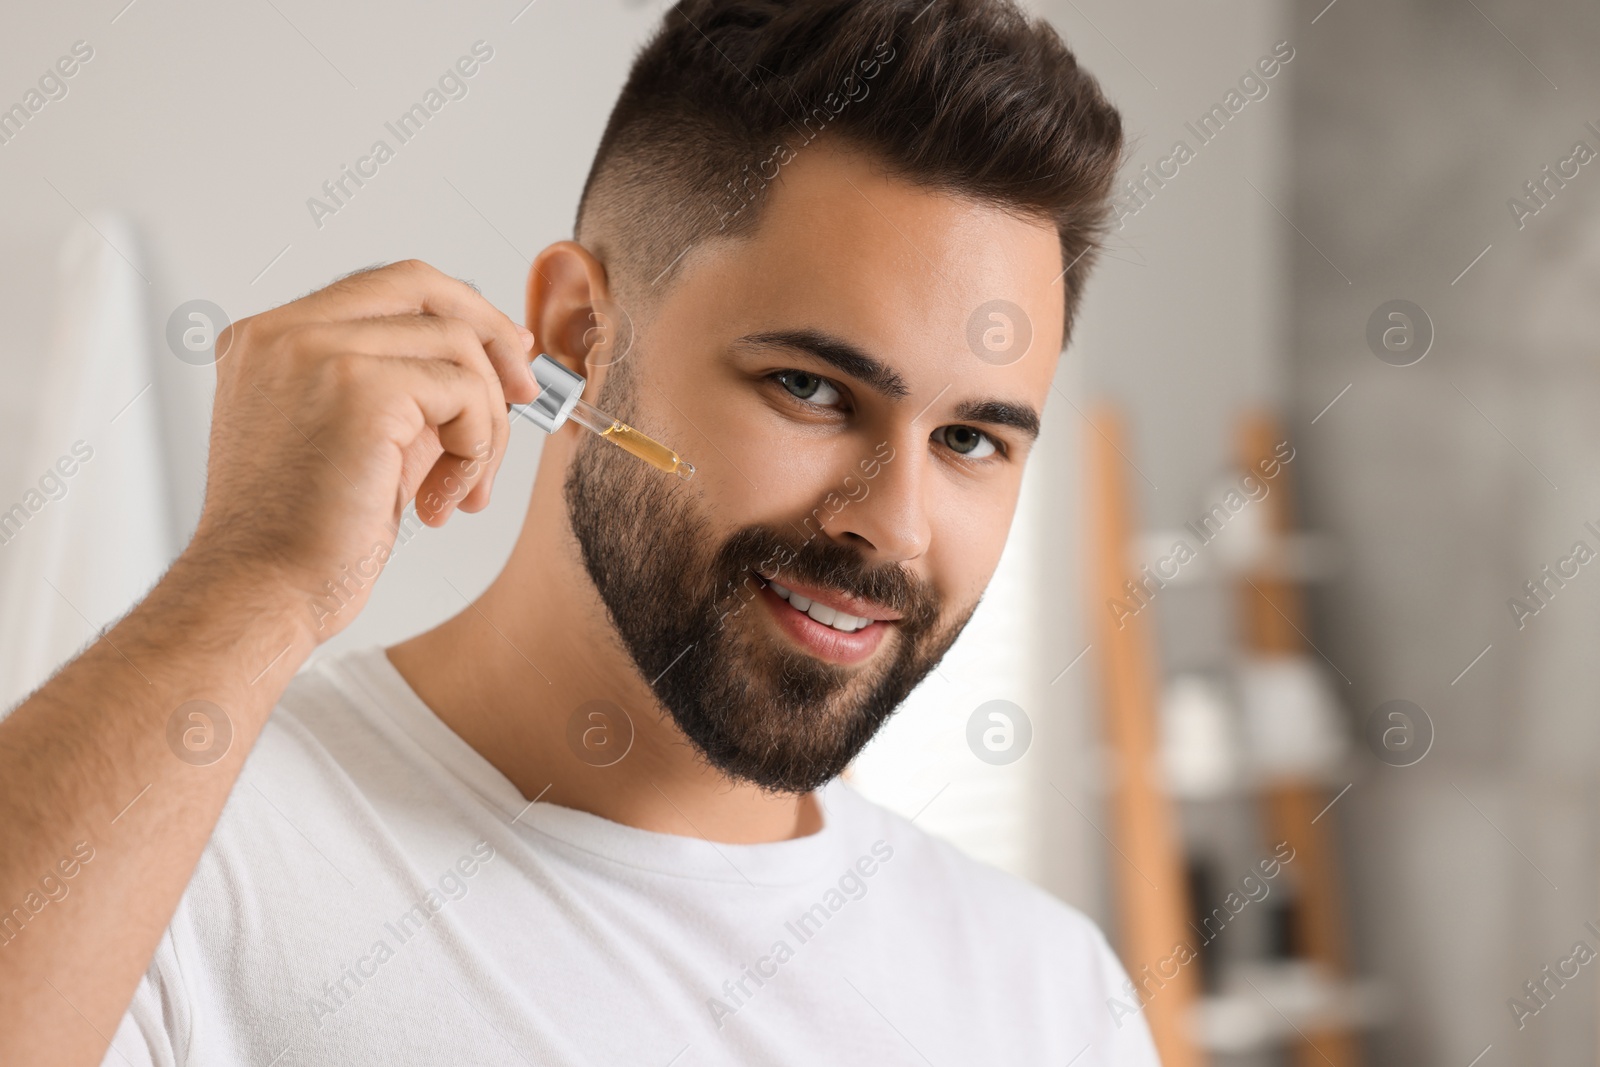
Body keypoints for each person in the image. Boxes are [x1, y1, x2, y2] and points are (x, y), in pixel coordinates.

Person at [0, 1, 1158, 1063]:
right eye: (810, 388)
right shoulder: (185, 859)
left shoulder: (1051, 996)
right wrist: (248, 577)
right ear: (576, 330)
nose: (894, 526)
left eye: (969, 441)